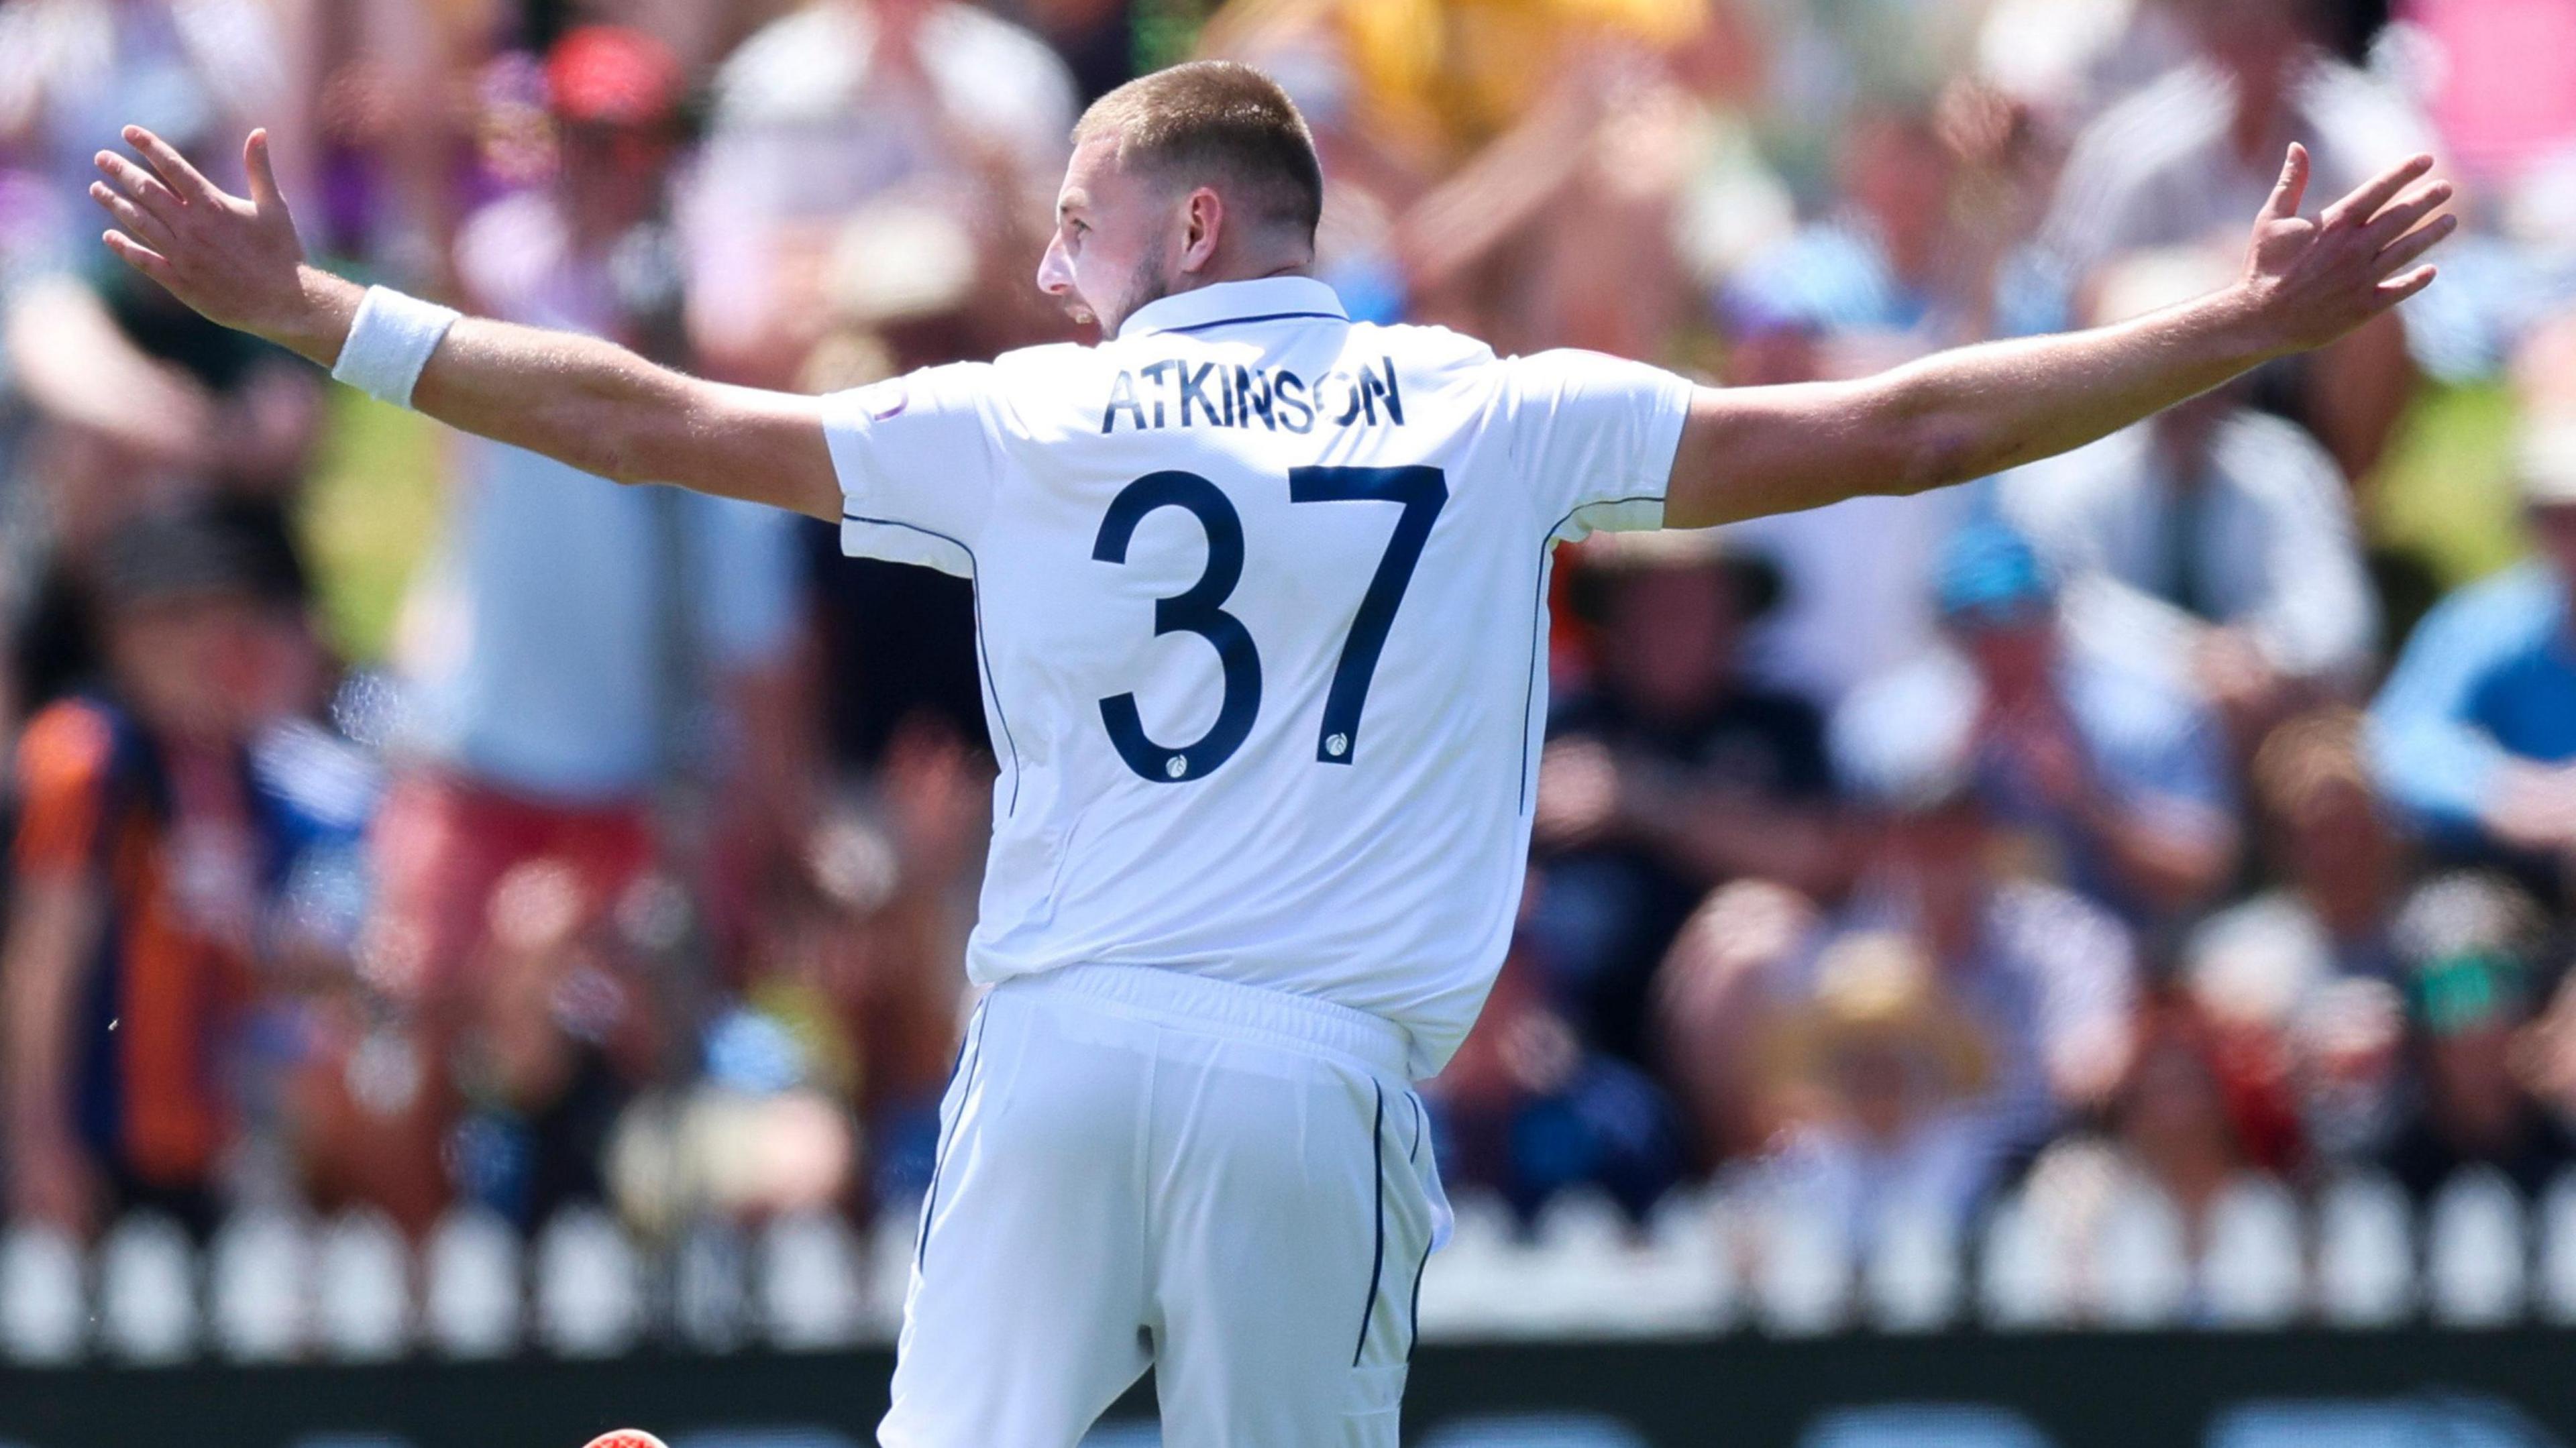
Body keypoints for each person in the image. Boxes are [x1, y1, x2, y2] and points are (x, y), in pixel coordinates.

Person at [85, 57, 2451, 1445]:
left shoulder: (1031, 416)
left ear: (1188, 216)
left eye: (1073, 225)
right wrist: (2236, 331)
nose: (1045, 272)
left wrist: (321, 315)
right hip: (1312, 1080)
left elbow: (658, 416)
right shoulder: (1489, 409)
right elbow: (1913, 423)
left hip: (1069, 1044)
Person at [1837, 518, 2241, 932]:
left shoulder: (2146, 715)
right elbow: (1847, 871)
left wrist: (2084, 799)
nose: (2003, 649)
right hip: (1938, 961)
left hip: (2130, 954)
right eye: (1978, 628)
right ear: (1948, 633)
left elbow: (2203, 873)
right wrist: (1946, 781)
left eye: (2020, 624)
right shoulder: (1884, 725)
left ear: (2055, 619)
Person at [2369, 419, 2576, 881]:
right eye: (2558, 518)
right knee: (2453, 938)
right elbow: (2402, 740)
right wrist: (2498, 792)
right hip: (2499, 870)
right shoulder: (2483, 623)